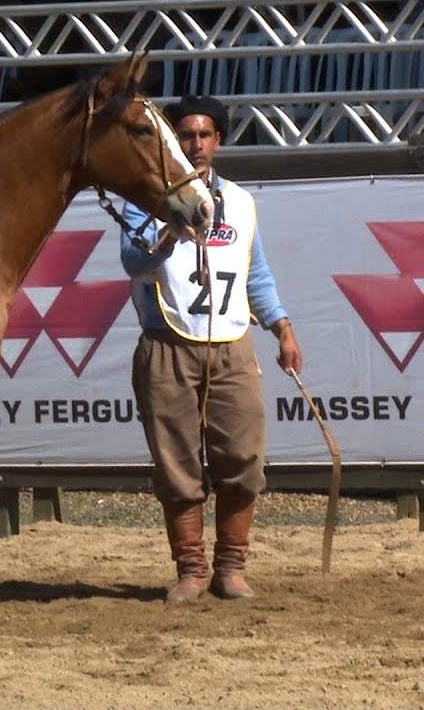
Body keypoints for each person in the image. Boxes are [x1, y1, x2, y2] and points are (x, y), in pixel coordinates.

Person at [118, 93, 303, 603]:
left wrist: (282, 327)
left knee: (243, 455)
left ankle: (231, 567)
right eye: (186, 135)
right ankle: (191, 570)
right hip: (168, 343)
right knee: (176, 463)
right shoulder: (145, 199)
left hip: (231, 344)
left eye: (204, 135)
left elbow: (255, 274)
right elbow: (132, 262)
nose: (195, 144)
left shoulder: (239, 202)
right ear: (172, 141)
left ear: (218, 140)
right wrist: (167, 237)